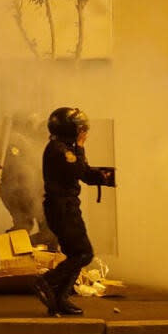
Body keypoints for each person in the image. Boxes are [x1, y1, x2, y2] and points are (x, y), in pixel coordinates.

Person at [33, 107, 112, 316]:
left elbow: (83, 172)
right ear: (69, 129)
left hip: (66, 205)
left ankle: (60, 299)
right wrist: (80, 146)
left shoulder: (66, 147)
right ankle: (47, 281)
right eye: (79, 128)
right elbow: (75, 169)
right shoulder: (60, 149)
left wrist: (101, 176)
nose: (84, 131)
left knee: (76, 253)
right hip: (62, 207)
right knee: (84, 253)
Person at [0, 113, 58, 249]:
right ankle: (9, 249)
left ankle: (13, 250)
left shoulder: (25, 143)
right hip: (22, 192)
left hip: (29, 192)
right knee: (28, 227)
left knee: (35, 229)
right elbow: (20, 172)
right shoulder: (17, 143)